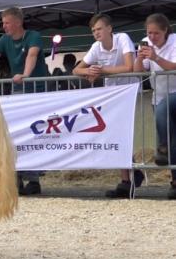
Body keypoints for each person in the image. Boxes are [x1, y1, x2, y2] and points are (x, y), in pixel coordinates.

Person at [73, 13, 143, 198]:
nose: (96, 33)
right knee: (116, 135)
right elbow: (76, 69)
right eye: (93, 30)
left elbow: (129, 67)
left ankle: (129, 178)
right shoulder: (96, 47)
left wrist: (101, 70)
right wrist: (89, 70)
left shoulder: (123, 39)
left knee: (122, 135)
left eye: (99, 29)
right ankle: (128, 178)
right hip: (111, 96)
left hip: (128, 92)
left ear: (109, 28)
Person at [0, 6, 49, 195]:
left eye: (7, 22)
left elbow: (32, 55)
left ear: (18, 22)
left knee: (34, 133)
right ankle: (16, 177)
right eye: (3, 23)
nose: (4, 26)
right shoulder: (4, 40)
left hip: (36, 89)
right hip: (18, 90)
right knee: (16, 133)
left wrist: (25, 75)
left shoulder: (33, 36)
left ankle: (33, 179)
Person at [134, 13, 176, 200]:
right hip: (157, 95)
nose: (151, 37)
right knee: (170, 143)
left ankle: (162, 148)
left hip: (174, 94)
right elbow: (137, 71)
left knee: (165, 142)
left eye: (156, 33)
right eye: (149, 33)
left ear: (166, 30)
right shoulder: (145, 43)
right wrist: (139, 57)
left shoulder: (175, 42)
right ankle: (175, 182)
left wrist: (156, 58)